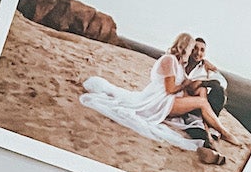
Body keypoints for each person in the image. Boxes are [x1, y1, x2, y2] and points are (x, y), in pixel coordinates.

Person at [80, 33, 238, 164]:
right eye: (192, 48)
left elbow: (189, 79)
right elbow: (170, 90)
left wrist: (203, 70)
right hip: (162, 102)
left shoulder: (178, 62)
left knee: (203, 94)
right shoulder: (169, 60)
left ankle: (209, 133)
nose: (193, 53)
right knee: (202, 102)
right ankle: (223, 132)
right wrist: (186, 84)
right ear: (185, 47)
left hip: (168, 100)